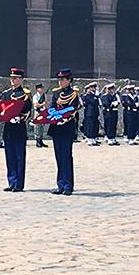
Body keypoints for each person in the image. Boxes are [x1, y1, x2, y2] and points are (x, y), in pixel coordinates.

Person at [48, 68, 80, 196]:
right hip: (57, 127)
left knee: (66, 156)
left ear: (69, 80)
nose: (60, 82)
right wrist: (55, 116)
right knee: (59, 157)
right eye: (59, 80)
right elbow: (51, 108)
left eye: (63, 80)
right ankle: (60, 184)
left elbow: (73, 109)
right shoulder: (56, 94)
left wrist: (64, 118)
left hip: (66, 127)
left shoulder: (74, 94)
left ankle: (68, 185)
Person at [1, 68, 32, 193]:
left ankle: (19, 184)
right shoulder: (7, 94)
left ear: (21, 79)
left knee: (19, 157)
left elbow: (28, 111)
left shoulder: (24, 94)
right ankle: (11, 181)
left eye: (15, 78)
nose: (12, 80)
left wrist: (20, 118)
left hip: (19, 128)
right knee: (10, 157)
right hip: (8, 128)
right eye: (11, 78)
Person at [81, 82, 100, 146]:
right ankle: (89, 138)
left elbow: (98, 103)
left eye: (94, 87)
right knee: (90, 126)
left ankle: (93, 138)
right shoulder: (88, 96)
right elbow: (92, 102)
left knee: (95, 125)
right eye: (93, 87)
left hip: (95, 112)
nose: (94, 89)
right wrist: (96, 96)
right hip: (90, 113)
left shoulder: (94, 95)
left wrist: (96, 96)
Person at [32, 83, 48, 148]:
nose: (41, 89)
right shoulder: (35, 96)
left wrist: (43, 104)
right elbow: (36, 105)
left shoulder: (44, 95)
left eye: (42, 88)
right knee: (37, 127)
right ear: (37, 89)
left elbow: (46, 102)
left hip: (43, 112)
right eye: (40, 88)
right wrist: (42, 104)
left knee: (42, 126)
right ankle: (37, 140)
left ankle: (41, 140)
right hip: (37, 112)